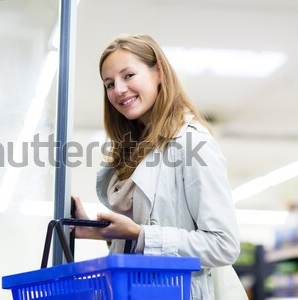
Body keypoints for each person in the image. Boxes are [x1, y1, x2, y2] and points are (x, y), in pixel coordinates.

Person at [72, 34, 241, 299]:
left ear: (159, 72)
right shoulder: (134, 151)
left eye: (128, 75)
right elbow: (147, 234)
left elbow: (223, 245)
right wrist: (101, 233)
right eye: (109, 84)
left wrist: (140, 234)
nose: (118, 90)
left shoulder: (192, 143)